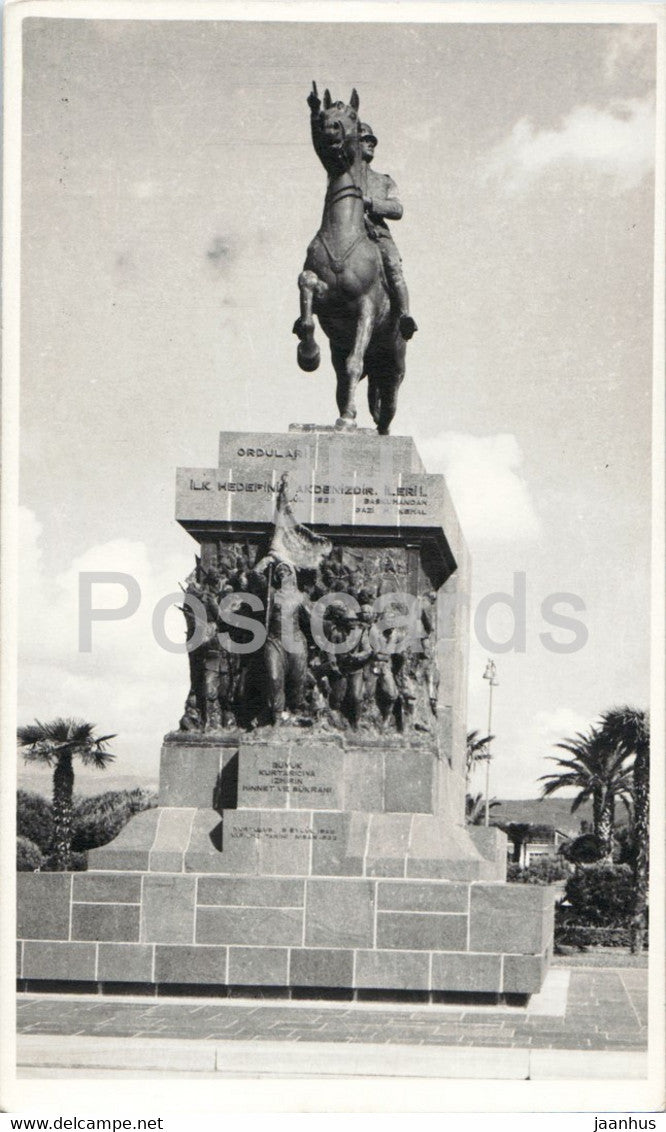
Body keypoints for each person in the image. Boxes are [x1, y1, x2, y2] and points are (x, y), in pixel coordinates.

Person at [358, 123, 418, 341]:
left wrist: (370, 202)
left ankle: (404, 315)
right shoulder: (343, 177)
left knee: (393, 266)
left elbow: (397, 209)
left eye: (372, 141)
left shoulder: (384, 180)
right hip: (350, 232)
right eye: (365, 140)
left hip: (378, 234)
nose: (371, 144)